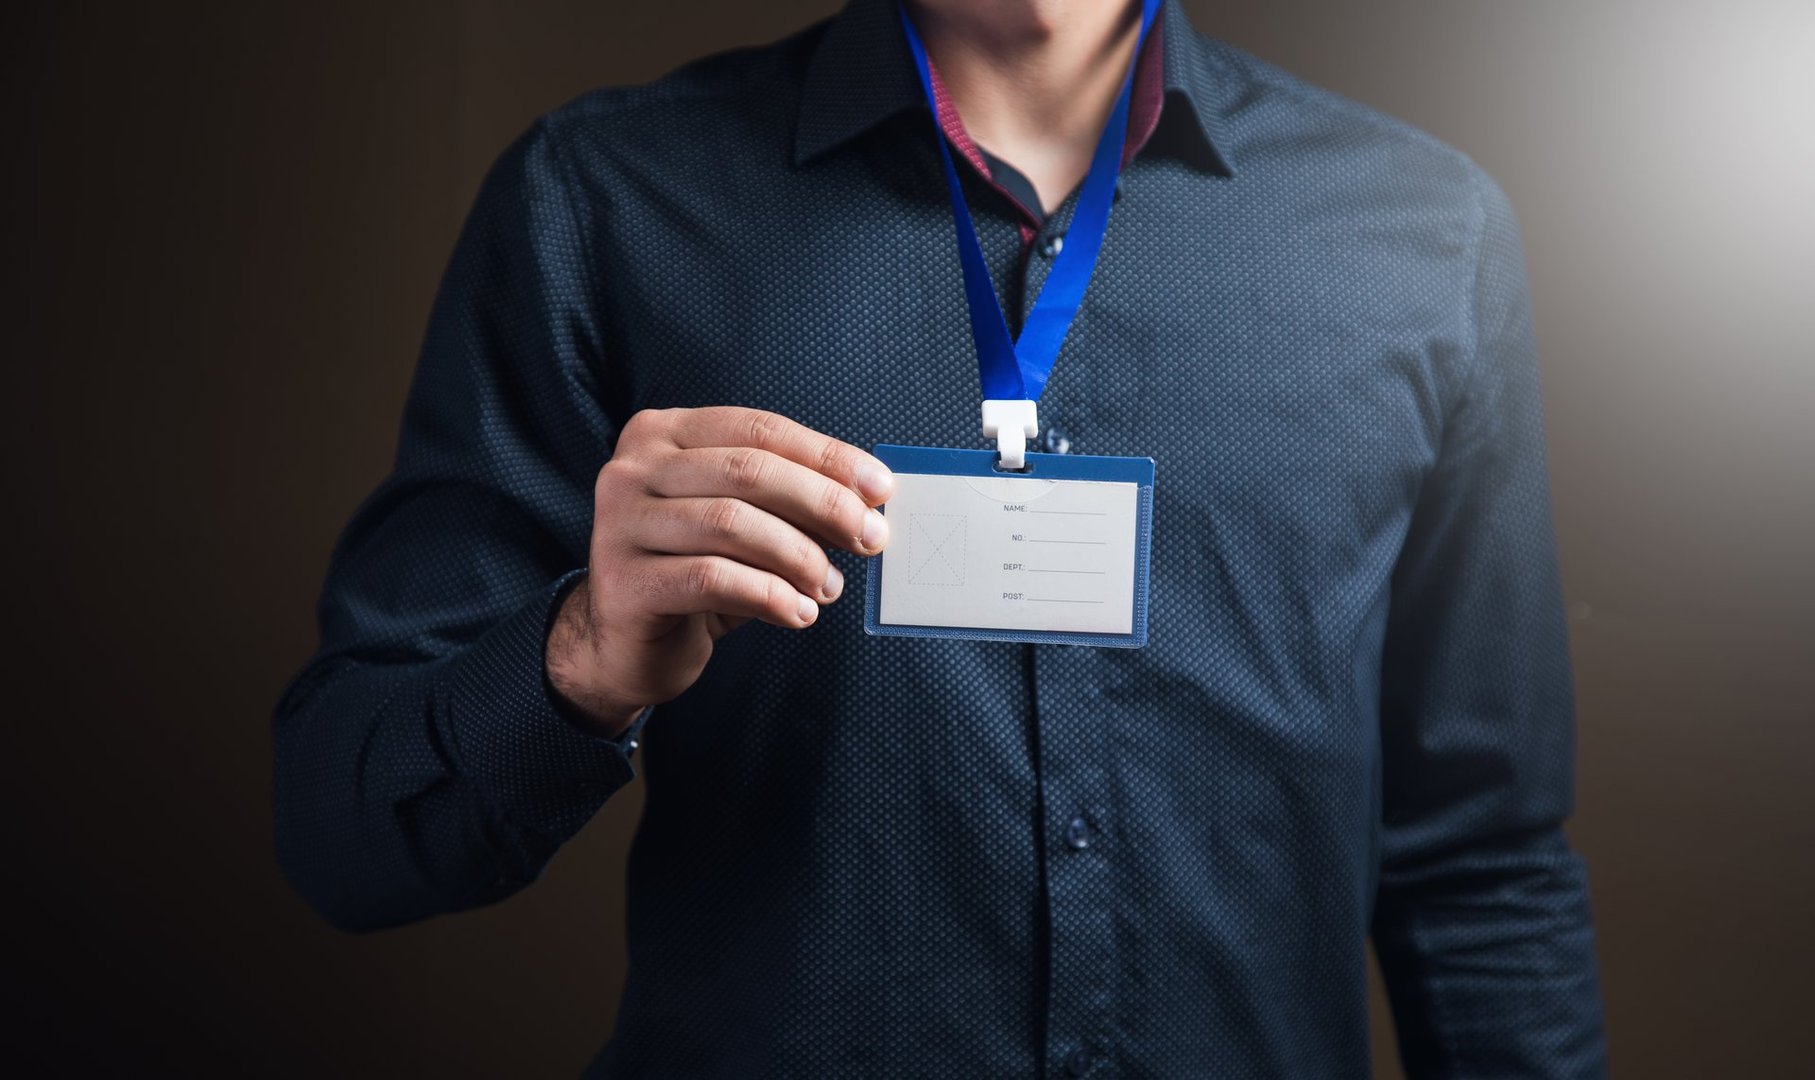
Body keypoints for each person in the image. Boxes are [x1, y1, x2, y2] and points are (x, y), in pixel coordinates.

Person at [273, 0, 1608, 1074]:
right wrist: (580, 657)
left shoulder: (1428, 240)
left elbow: (1481, 865)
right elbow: (345, 842)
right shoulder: (603, 199)